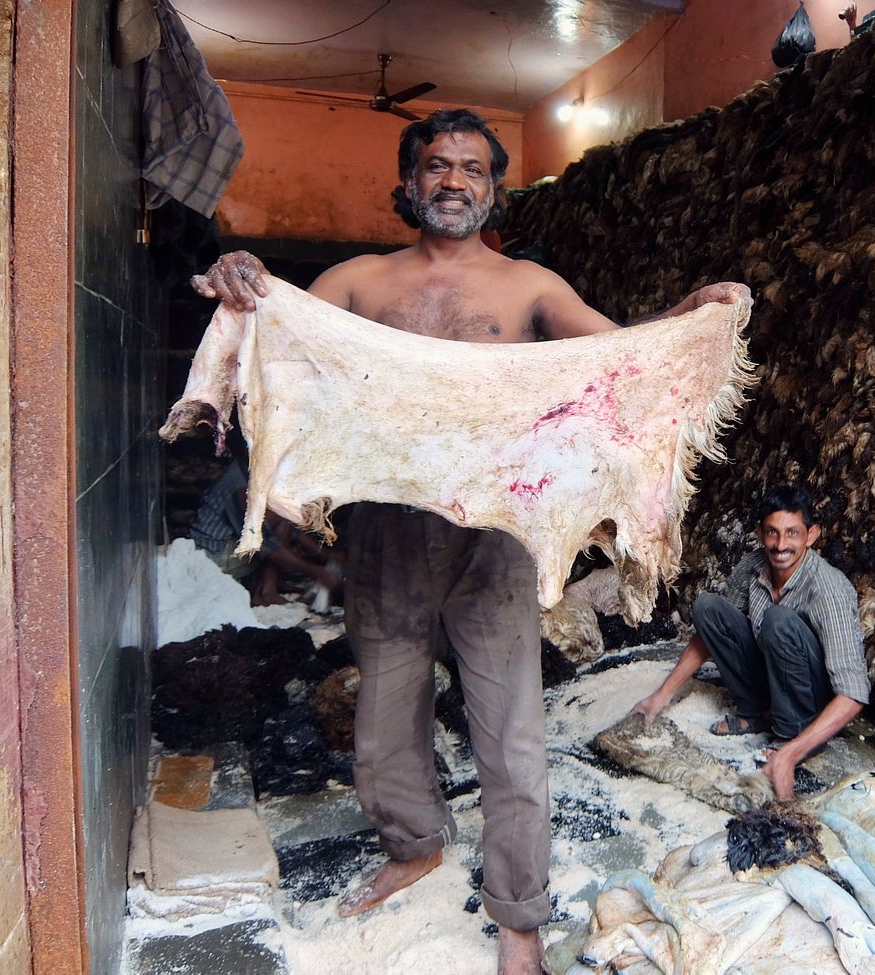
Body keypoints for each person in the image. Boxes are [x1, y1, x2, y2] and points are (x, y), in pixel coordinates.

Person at [193, 108, 749, 975]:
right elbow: (281, 325)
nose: (453, 181)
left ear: (493, 190)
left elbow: (621, 359)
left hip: (494, 541)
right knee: (383, 718)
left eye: (472, 169)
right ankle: (413, 843)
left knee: (510, 731)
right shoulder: (362, 281)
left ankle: (519, 912)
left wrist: (685, 316)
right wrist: (243, 274)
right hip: (386, 537)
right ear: (409, 186)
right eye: (437, 167)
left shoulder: (530, 287)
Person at [631, 484, 869, 800]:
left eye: (792, 533)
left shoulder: (828, 589)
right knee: (708, 607)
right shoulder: (755, 565)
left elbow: (854, 693)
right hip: (773, 676)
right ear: (760, 533)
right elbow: (714, 633)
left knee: (778, 619)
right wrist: (661, 695)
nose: (781, 545)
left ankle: (791, 736)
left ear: (811, 535)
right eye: (772, 533)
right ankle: (757, 712)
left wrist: (792, 754)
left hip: (813, 700)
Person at [189, 453, 340, 607]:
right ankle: (265, 593)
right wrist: (316, 572)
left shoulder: (253, 472)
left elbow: (289, 529)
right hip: (212, 559)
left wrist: (327, 556)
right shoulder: (240, 484)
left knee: (284, 515)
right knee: (279, 523)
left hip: (230, 549)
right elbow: (267, 544)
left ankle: (268, 588)